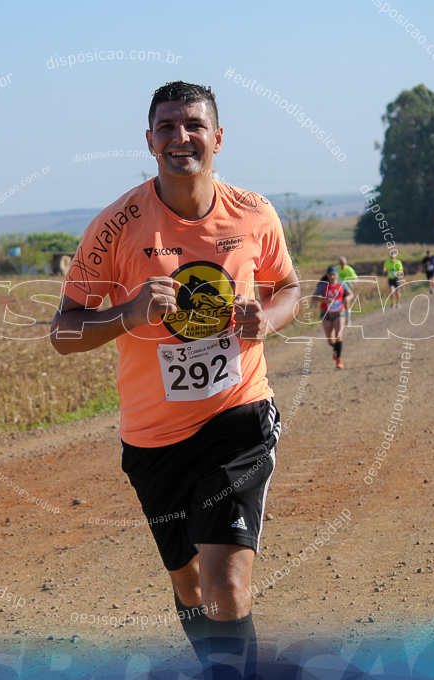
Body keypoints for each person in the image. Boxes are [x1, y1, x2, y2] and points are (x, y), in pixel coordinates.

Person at [50, 81, 301, 679]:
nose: (179, 136)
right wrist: (128, 314)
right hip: (153, 439)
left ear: (218, 137)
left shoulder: (255, 213)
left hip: (237, 416)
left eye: (192, 124)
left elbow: (288, 287)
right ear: (149, 141)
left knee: (226, 581)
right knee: (189, 584)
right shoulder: (115, 228)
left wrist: (266, 318)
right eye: (166, 126)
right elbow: (62, 333)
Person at [313, 266, 355, 369]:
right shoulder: (323, 285)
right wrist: (324, 299)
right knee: (330, 340)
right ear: (327, 275)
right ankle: (336, 349)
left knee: (338, 336)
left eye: (333, 274)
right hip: (326, 313)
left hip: (339, 312)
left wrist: (348, 298)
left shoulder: (342, 283)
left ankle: (339, 360)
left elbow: (350, 294)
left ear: (337, 275)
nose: (332, 277)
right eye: (330, 275)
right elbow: (314, 297)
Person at [336, 256, 358, 323]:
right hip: (337, 288)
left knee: (347, 303)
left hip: (346, 288)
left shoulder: (349, 269)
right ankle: (339, 320)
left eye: (344, 264)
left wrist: (353, 283)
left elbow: (356, 278)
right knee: (339, 304)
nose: (342, 265)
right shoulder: (336, 269)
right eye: (341, 264)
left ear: (346, 263)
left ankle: (348, 320)